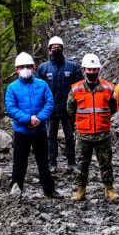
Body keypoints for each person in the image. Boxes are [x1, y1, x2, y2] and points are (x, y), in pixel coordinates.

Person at [6, 52, 62, 199]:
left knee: (43, 162)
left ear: (33, 67)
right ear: (16, 69)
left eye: (28, 66)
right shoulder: (12, 88)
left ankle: (49, 190)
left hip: (40, 131)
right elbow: (11, 108)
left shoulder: (42, 85)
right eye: (22, 67)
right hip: (21, 132)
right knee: (19, 163)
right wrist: (28, 119)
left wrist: (39, 118)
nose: (25, 69)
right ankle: (16, 191)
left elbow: (49, 103)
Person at [66, 53, 119, 202]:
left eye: (94, 69)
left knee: (106, 163)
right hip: (83, 134)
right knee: (82, 163)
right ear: (83, 70)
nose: (91, 72)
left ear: (99, 69)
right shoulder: (75, 89)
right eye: (89, 69)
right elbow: (70, 109)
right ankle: (80, 191)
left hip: (102, 133)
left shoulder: (108, 88)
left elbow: (113, 107)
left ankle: (109, 189)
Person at [37, 36, 82, 173]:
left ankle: (71, 162)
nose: (56, 49)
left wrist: (77, 107)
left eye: (58, 47)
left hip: (68, 110)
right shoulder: (43, 68)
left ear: (63, 48)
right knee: (51, 137)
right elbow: (38, 89)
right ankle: (52, 163)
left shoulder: (73, 66)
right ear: (49, 50)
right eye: (53, 47)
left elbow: (80, 88)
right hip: (50, 110)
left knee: (70, 137)